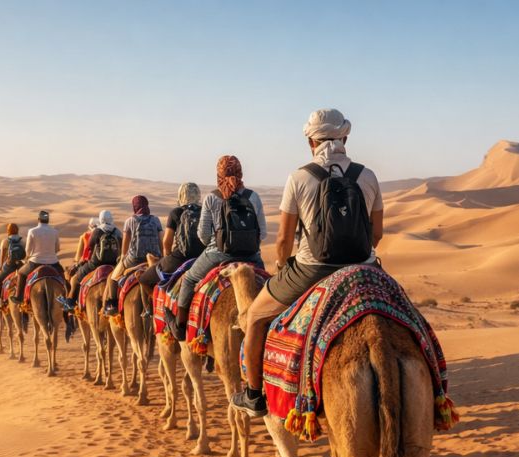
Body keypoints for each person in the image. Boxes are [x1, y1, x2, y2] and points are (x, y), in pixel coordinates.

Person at [231, 108, 384, 417]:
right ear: (345, 137)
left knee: (255, 317)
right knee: (404, 313)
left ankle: (254, 394)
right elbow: (376, 235)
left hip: (311, 270)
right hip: (364, 268)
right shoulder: (367, 176)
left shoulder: (299, 177)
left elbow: (284, 240)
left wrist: (282, 267)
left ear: (311, 143)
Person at [167, 155, 267, 339]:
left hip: (218, 255)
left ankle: (180, 327)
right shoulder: (253, 197)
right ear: (241, 172)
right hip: (252, 257)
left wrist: (215, 243)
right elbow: (264, 233)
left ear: (218, 174)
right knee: (268, 286)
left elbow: (203, 235)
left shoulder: (212, 198)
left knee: (188, 279)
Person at [139, 182, 203, 294]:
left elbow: (166, 242)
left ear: (181, 195)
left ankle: (153, 308)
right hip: (202, 258)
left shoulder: (176, 212)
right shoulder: (204, 212)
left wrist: (167, 257)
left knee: (144, 279)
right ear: (198, 195)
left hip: (180, 257)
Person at [104, 196, 163, 314]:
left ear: (134, 207)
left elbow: (125, 246)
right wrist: (161, 256)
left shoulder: (130, 221)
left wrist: (122, 258)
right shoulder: (156, 220)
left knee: (112, 277)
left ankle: (113, 305)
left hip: (134, 259)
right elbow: (161, 240)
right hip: (155, 259)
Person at [59, 210, 119, 310]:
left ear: (101, 219)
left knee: (75, 279)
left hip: (95, 263)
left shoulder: (97, 231)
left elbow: (89, 248)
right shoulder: (117, 231)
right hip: (114, 263)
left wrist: (84, 261)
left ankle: (71, 302)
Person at [12, 211, 63, 303]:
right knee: (63, 278)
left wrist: (28, 257)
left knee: (20, 273)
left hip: (35, 262)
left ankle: (19, 297)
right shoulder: (55, 232)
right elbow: (57, 249)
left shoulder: (32, 231)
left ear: (38, 219)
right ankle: (66, 300)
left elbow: (28, 250)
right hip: (53, 263)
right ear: (48, 220)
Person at [0, 224, 26, 306]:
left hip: (9, 266)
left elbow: (2, 256)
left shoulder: (5, 241)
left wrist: (1, 267)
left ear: (8, 231)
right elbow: (26, 255)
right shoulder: (22, 241)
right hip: (20, 265)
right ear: (17, 230)